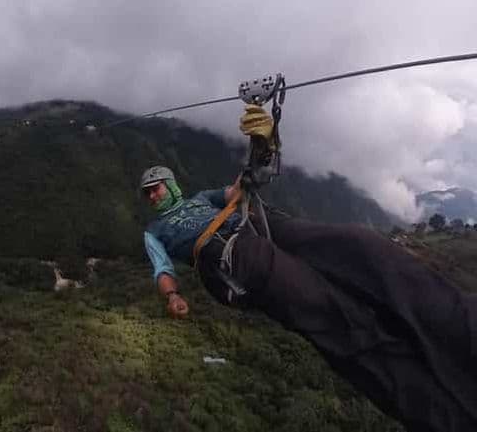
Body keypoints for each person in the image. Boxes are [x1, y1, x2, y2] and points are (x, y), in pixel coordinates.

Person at [141, 105, 477, 432]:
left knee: (362, 247)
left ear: (171, 184)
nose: (153, 196)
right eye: (148, 194)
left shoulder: (201, 197)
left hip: (255, 222)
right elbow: (162, 267)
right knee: (339, 314)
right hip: (231, 257)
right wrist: (172, 296)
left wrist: (261, 154)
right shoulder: (155, 232)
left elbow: (237, 191)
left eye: (156, 188)